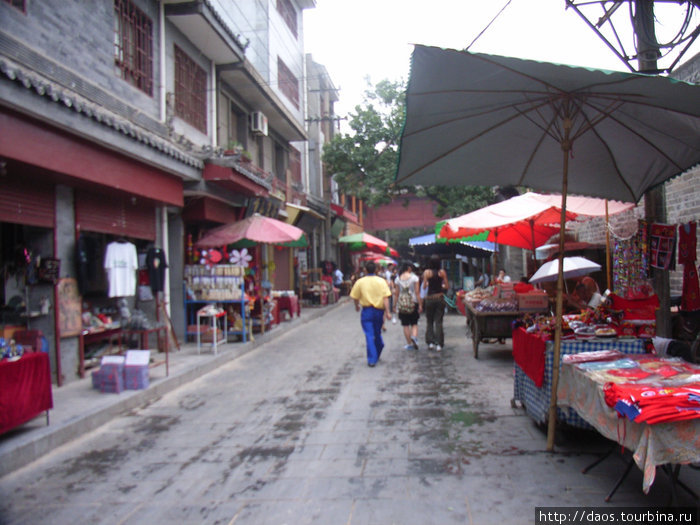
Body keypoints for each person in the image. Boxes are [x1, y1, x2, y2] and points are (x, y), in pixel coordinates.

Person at [349, 261, 393, 367]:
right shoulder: (381, 281)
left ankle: (372, 359)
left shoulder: (360, 282)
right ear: (377, 270)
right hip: (379, 311)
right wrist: (388, 312)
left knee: (369, 334)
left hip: (367, 311)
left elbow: (355, 297)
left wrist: (357, 306)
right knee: (377, 333)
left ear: (365, 270)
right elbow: (385, 298)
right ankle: (378, 349)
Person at [422, 254, 449, 351]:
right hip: (439, 298)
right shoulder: (442, 272)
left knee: (429, 321)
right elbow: (447, 286)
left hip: (429, 298)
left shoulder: (427, 272)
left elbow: (424, 286)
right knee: (438, 321)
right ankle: (439, 344)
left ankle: (430, 343)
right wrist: (441, 286)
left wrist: (428, 283)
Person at [394, 262, 422, 350]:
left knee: (405, 324)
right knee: (414, 323)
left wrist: (394, 305)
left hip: (402, 304)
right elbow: (417, 292)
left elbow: (396, 293)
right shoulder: (414, 278)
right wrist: (420, 304)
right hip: (413, 302)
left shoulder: (398, 279)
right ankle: (414, 337)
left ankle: (409, 344)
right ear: (409, 268)